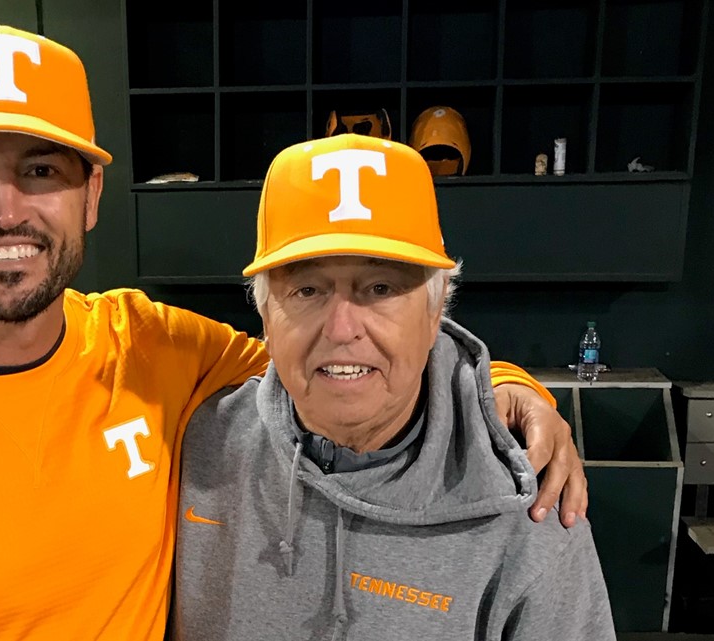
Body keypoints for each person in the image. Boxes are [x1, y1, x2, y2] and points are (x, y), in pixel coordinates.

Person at [0, 25, 586, 640]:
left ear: (91, 193)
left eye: (42, 169)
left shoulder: (154, 349)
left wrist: (504, 383)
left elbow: (341, 358)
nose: (5, 208)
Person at [174, 133, 614, 640]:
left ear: (435, 311)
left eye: (380, 288)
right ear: (266, 317)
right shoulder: (199, 446)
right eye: (307, 289)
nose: (342, 329)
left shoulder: (529, 505)